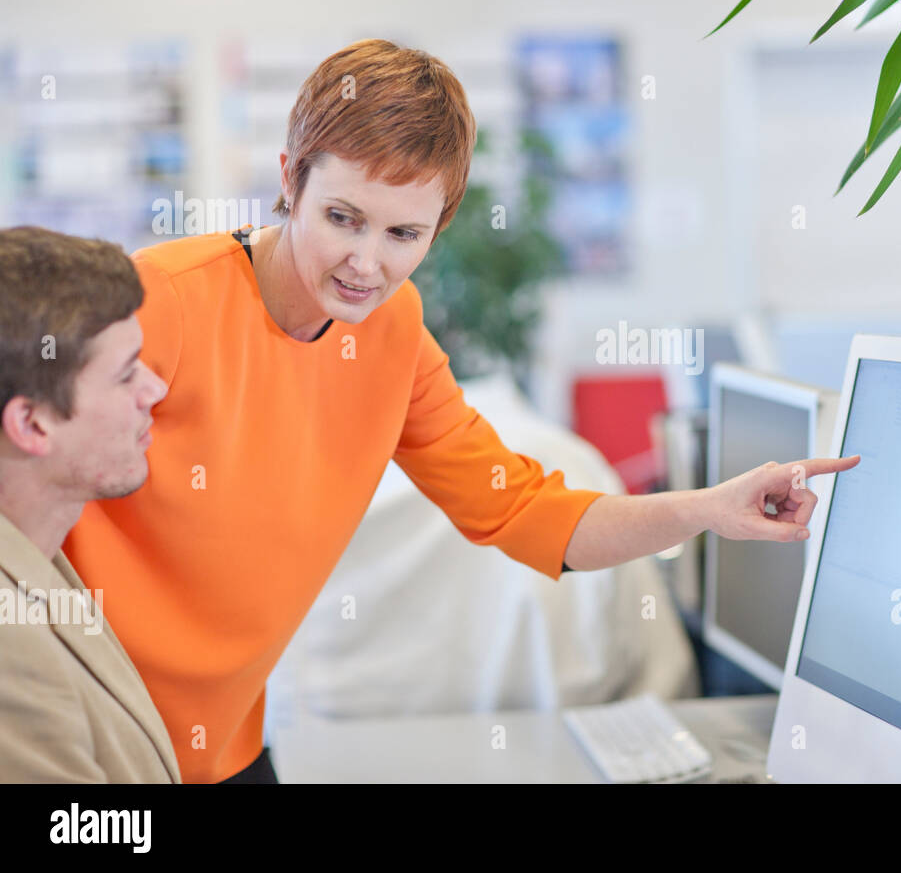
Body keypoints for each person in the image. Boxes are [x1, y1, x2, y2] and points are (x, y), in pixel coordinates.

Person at [64, 39, 857, 783]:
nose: (366, 263)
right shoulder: (161, 299)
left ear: (438, 227)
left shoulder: (394, 334)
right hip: (85, 732)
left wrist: (710, 509)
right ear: (289, 178)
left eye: (403, 233)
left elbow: (526, 512)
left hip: (223, 739)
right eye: (343, 217)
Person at [0, 226, 180, 782]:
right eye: (126, 373)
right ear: (32, 424)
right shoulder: (10, 646)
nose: (155, 390)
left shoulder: (36, 550)